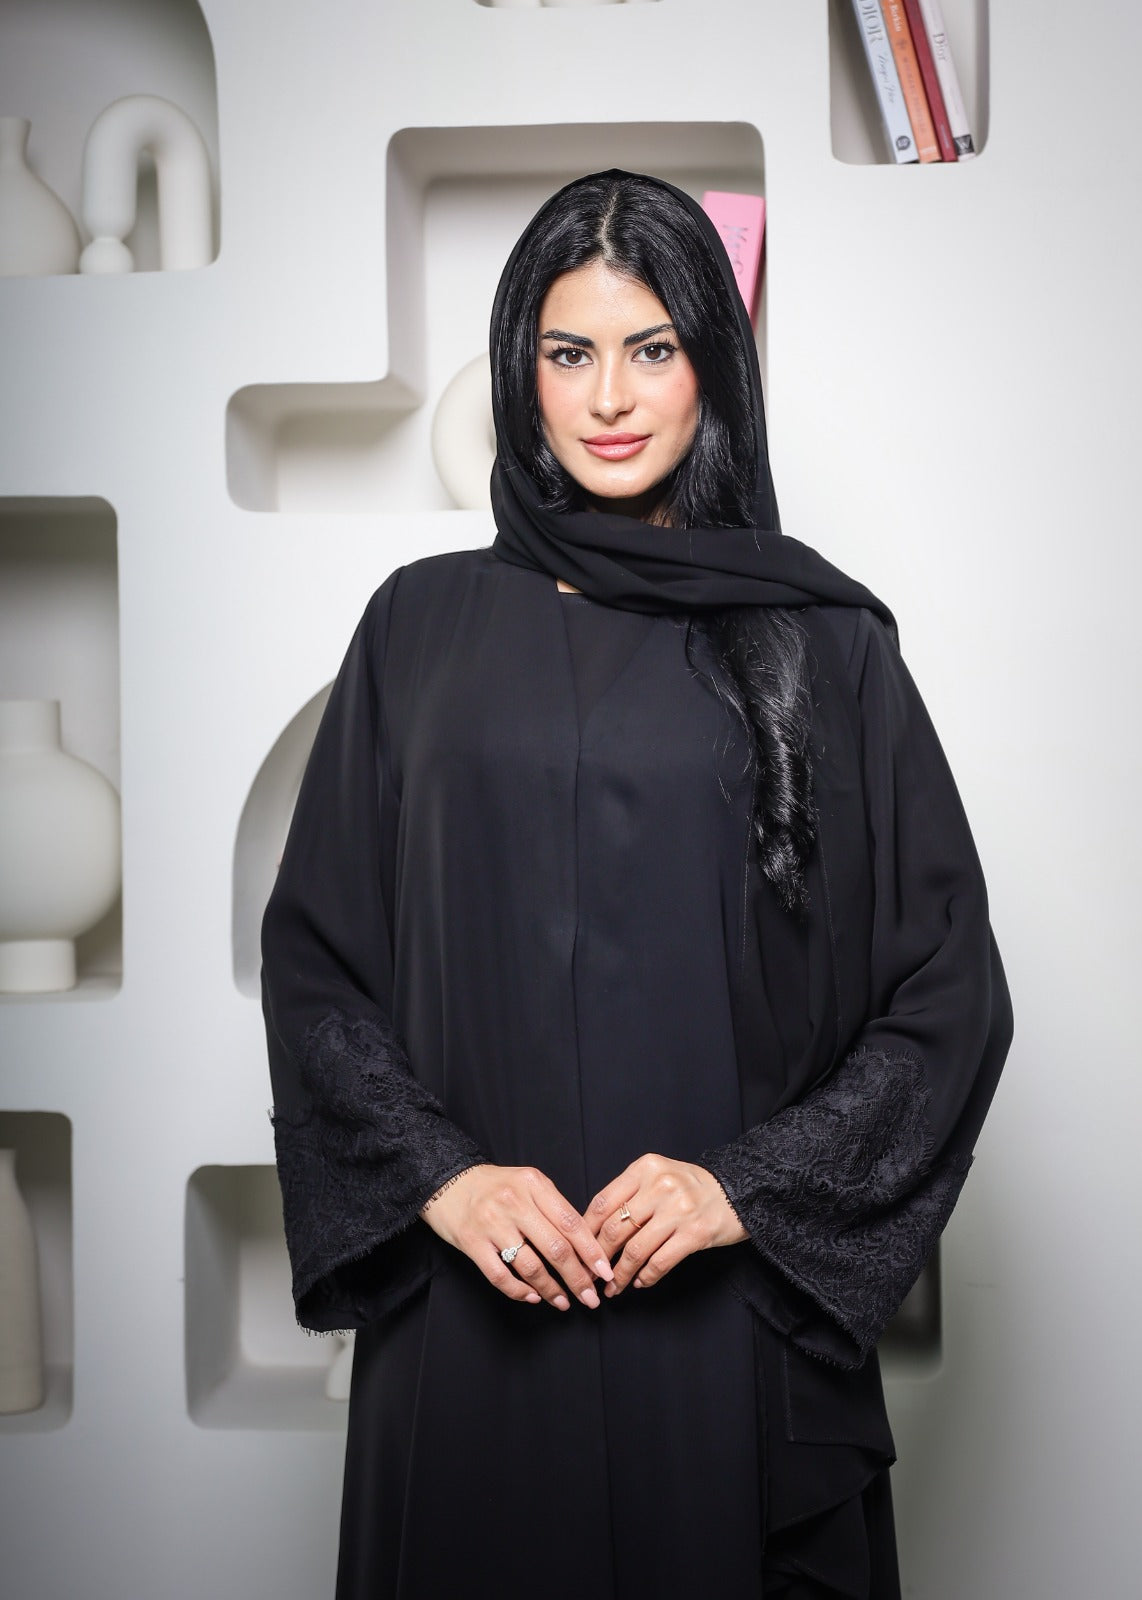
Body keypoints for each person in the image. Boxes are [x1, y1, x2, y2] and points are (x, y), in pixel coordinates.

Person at [260, 169, 1012, 1600]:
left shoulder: (822, 642)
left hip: (726, 1339)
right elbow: (317, 967)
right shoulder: (415, 629)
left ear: (710, 365)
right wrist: (442, 1181)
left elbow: (948, 991)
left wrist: (745, 1191)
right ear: (519, 370)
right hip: (474, 1321)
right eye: (569, 351)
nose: (608, 397)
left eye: (652, 348)